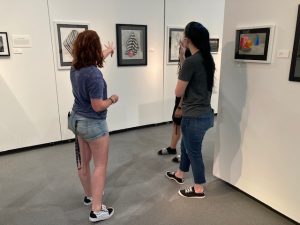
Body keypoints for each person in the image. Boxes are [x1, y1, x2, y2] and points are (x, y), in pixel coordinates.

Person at [68, 30, 118, 222]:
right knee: (100, 165)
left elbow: (95, 57)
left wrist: (108, 50)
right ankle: (97, 209)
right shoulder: (95, 75)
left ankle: (89, 196)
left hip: (77, 120)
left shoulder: (75, 67)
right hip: (93, 124)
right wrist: (112, 99)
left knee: (83, 162)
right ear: (93, 49)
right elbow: (98, 106)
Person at [165, 21, 215, 198]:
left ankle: (198, 188)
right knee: (186, 146)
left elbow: (178, 91)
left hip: (194, 116)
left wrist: (183, 62)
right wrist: (182, 56)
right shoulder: (206, 59)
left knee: (194, 152)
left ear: (187, 39)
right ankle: (180, 174)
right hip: (204, 114)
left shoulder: (192, 62)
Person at [157, 43, 191, 164]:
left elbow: (186, 88)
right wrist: (181, 54)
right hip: (181, 99)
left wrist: (180, 106)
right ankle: (172, 148)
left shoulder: (194, 62)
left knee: (186, 127)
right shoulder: (188, 63)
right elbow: (184, 66)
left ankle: (186, 154)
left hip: (185, 101)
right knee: (177, 124)